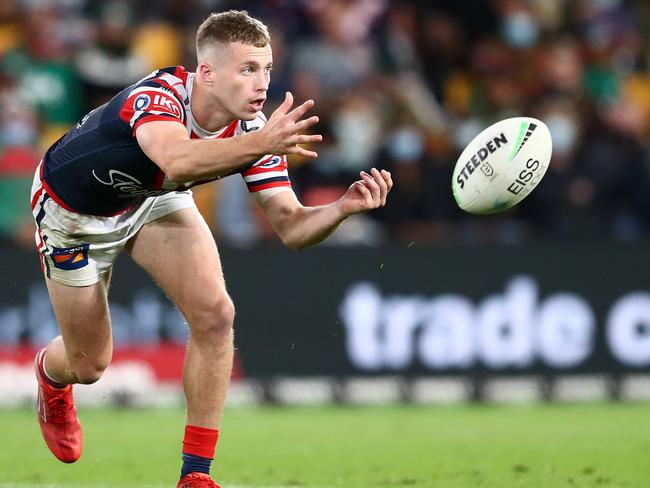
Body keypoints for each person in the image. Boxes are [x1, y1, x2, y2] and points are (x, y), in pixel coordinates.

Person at [30, 9, 393, 488]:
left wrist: (343, 208)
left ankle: (195, 476)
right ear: (207, 72)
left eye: (265, 68)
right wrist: (263, 141)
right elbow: (177, 161)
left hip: (150, 199)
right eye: (247, 69)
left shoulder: (253, 129)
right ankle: (51, 380)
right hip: (70, 217)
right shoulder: (157, 97)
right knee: (89, 364)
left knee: (216, 315)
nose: (261, 83)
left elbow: (291, 227)